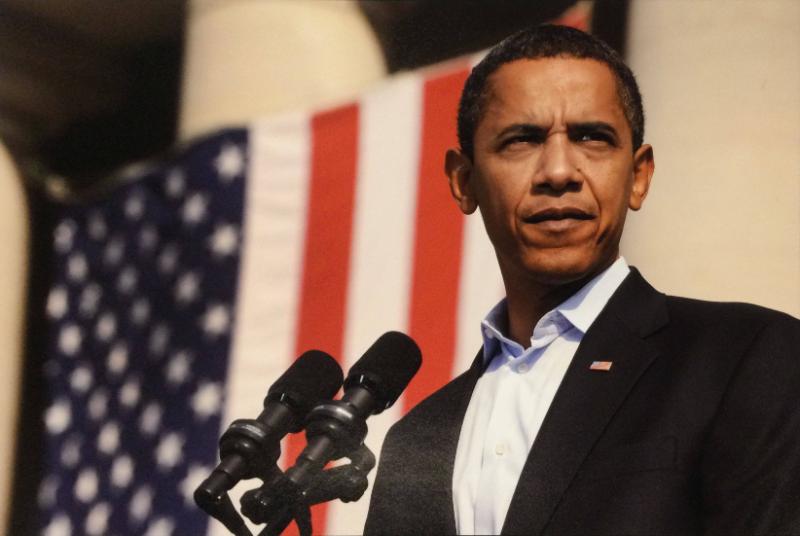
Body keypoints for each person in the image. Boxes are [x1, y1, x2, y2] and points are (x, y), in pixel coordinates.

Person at [364, 24, 800, 535]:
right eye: (521, 140)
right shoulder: (418, 438)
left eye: (592, 137)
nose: (558, 170)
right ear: (464, 182)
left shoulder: (746, 356)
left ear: (638, 175)